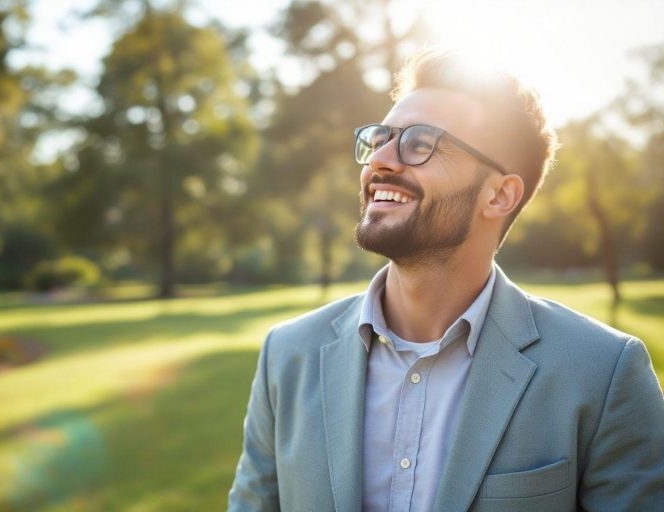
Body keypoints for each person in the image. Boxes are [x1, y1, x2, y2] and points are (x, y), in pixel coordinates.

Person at [227, 48, 664, 512]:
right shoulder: (287, 355)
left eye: (420, 143)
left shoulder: (602, 372)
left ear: (499, 194)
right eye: (380, 139)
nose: (381, 161)